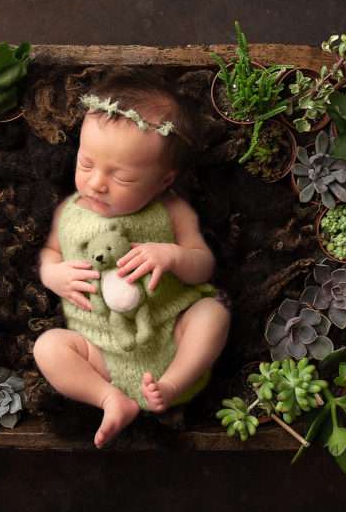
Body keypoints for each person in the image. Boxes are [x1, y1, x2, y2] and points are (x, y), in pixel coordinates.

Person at [33, 70, 231, 448]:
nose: (96, 183)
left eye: (120, 178)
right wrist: (53, 274)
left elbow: (204, 265)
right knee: (48, 347)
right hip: (98, 349)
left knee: (213, 314)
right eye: (86, 164)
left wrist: (173, 256)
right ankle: (110, 398)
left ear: (163, 181)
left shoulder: (172, 211)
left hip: (168, 332)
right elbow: (49, 253)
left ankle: (173, 383)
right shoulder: (70, 213)